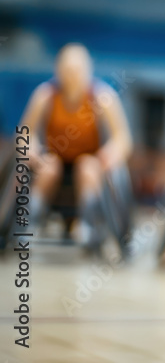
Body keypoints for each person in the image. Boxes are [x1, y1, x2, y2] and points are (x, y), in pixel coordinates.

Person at [19, 43, 132, 246]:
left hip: (89, 159)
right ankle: (30, 221)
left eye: (77, 70)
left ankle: (88, 225)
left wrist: (111, 153)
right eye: (67, 69)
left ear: (88, 70)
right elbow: (25, 133)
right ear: (58, 70)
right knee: (48, 168)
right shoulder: (45, 95)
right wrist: (30, 147)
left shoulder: (103, 98)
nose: (72, 75)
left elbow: (123, 138)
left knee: (87, 168)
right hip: (54, 157)